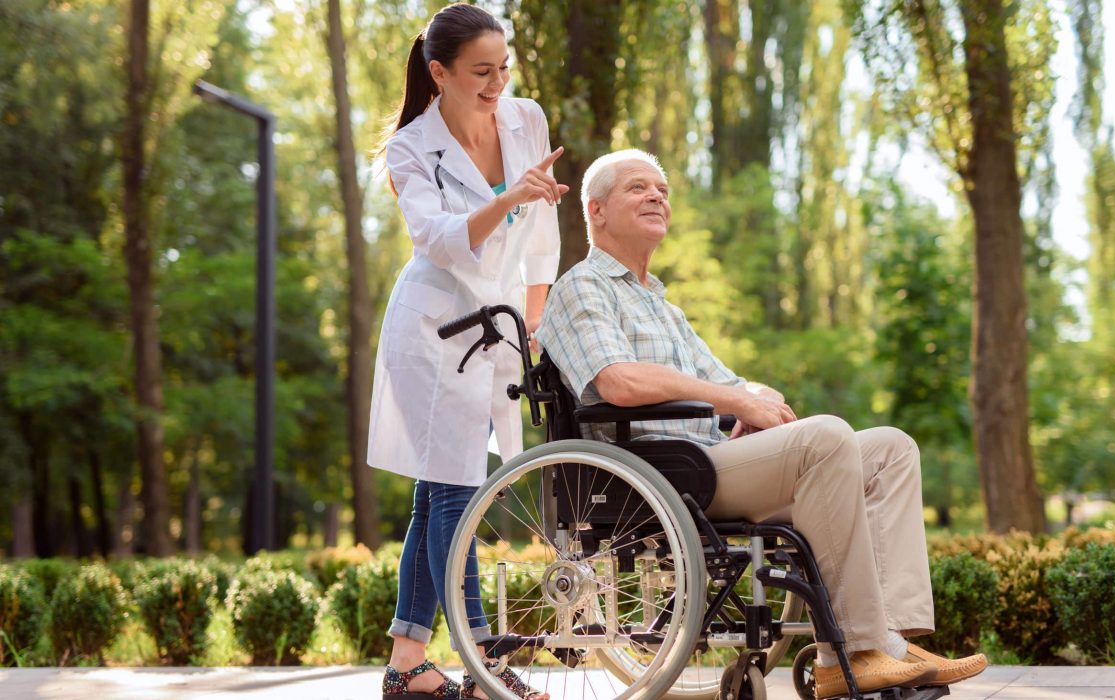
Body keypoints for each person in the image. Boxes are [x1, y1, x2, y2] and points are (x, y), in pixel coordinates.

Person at [534, 149, 989, 700]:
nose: (657, 195)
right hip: (658, 474)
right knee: (825, 438)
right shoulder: (583, 287)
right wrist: (731, 399)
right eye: (638, 188)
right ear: (597, 210)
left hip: (703, 460)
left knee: (891, 448)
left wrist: (758, 399)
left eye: (663, 188)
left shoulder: (661, 305)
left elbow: (731, 384)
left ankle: (890, 642)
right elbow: (618, 382)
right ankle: (849, 651)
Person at [367, 4, 564, 699]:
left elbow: (541, 236)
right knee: (458, 490)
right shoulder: (410, 147)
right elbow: (439, 239)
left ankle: (407, 663)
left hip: (496, 326)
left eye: (503, 67)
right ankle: (485, 663)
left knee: (439, 492)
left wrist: (534, 324)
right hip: (430, 331)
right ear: (439, 72)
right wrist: (509, 194)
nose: (497, 84)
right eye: (482, 72)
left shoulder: (525, 119)